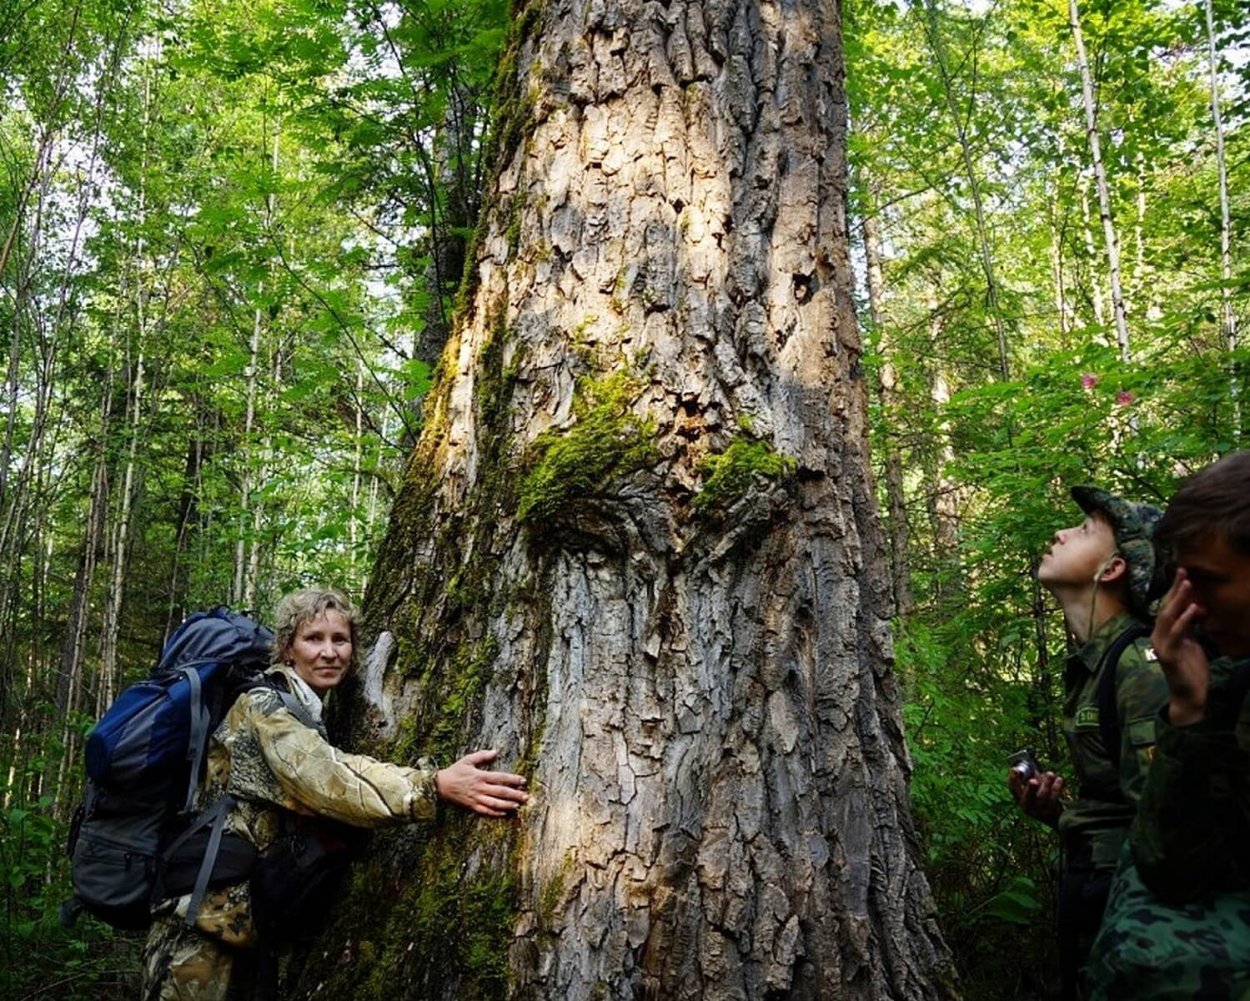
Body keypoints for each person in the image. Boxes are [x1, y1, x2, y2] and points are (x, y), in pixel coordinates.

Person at [140, 588, 529, 1001]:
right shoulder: (264, 707)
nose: (329, 652)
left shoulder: (303, 709)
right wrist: (432, 785)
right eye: (314, 639)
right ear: (287, 648)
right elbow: (326, 777)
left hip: (239, 924)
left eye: (339, 640)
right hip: (196, 927)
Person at [1085, 452, 1250, 999]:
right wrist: (1189, 711)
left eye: (1208, 581)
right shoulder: (1223, 686)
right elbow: (1168, 862)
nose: (1190, 609)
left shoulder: (1135, 662)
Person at [1007, 486, 1168, 1001]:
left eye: (1082, 531)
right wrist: (1059, 813)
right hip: (1100, 890)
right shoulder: (1092, 663)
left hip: (1135, 911)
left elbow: (1165, 824)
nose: (1060, 533)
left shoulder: (1138, 667)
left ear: (1113, 568)